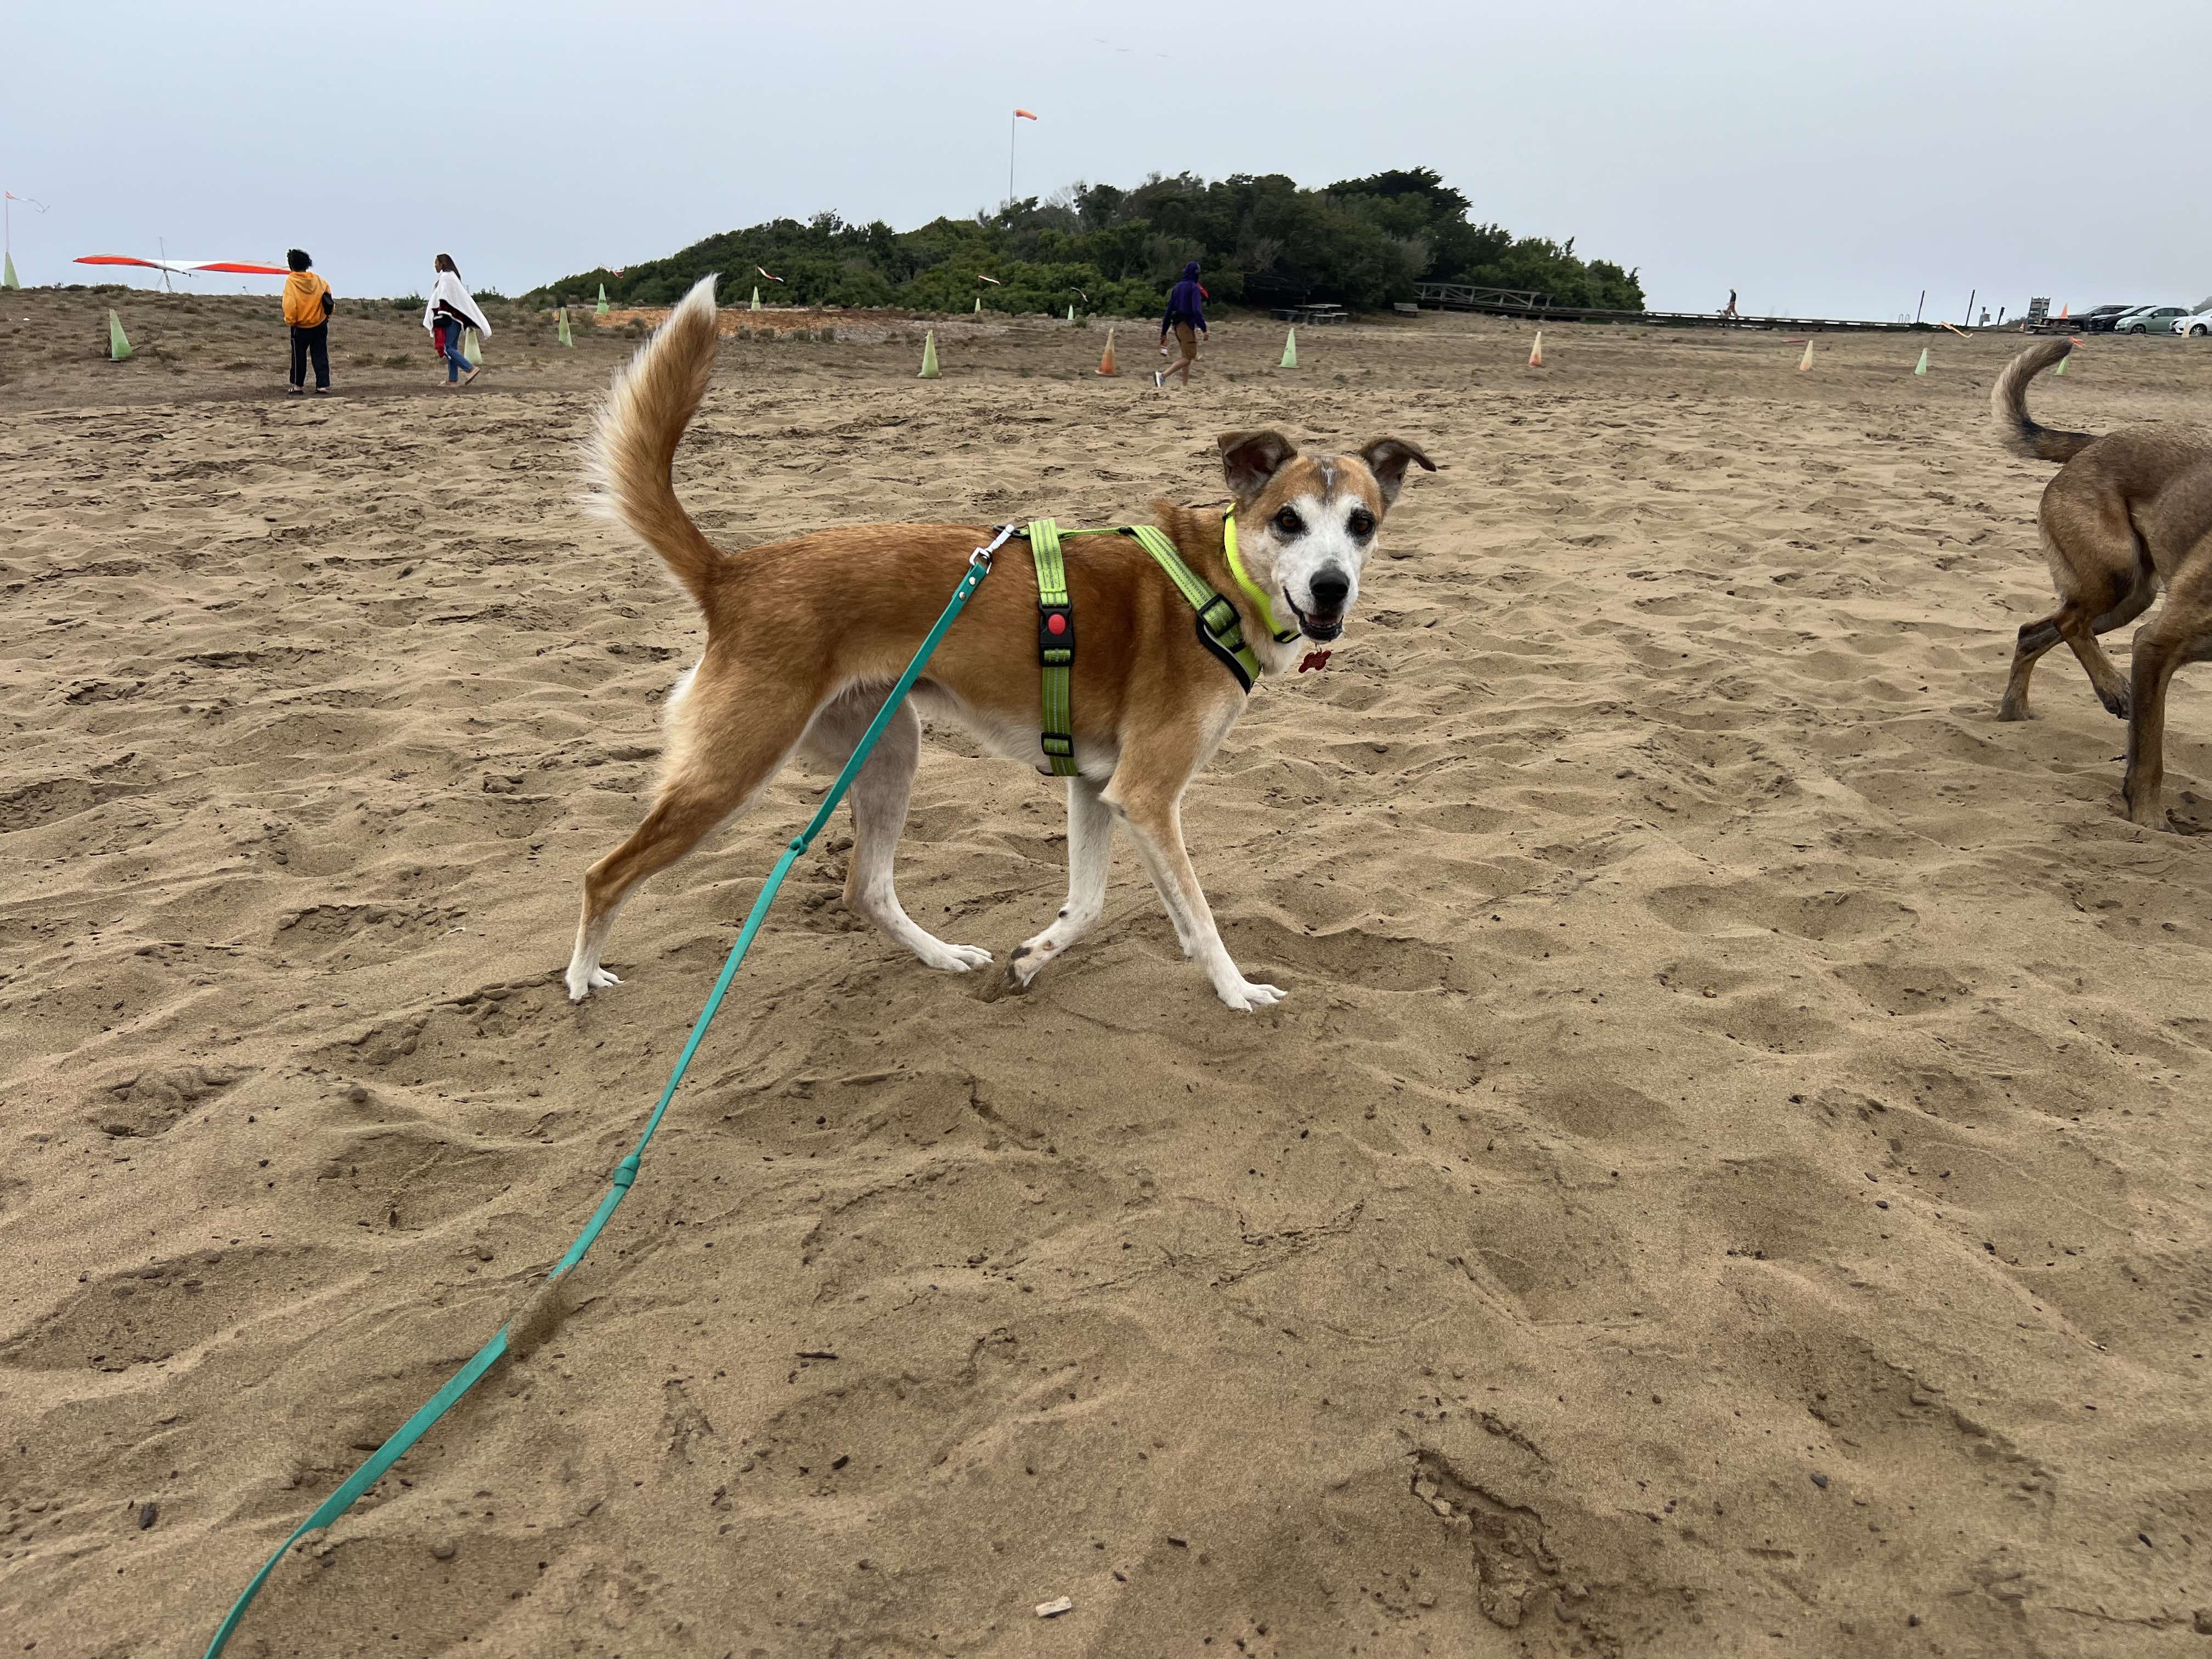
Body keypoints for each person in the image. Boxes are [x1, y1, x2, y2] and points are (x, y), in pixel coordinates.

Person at [423, 253, 492, 387]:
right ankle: (453, 380)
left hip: (451, 318)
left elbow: (446, 298)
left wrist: (439, 313)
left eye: (437, 263)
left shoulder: (447, 277)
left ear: (443, 263)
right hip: (453, 318)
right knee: (451, 347)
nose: (435, 265)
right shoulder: (449, 277)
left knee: (448, 348)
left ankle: (470, 369)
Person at [281, 249, 334, 396]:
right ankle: (323, 386)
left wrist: (291, 321)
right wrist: (327, 316)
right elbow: (329, 299)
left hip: (300, 326)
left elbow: (290, 305)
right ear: (307, 264)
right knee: (320, 354)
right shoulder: (319, 280)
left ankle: (297, 386)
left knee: (299, 356)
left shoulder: (291, 281)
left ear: (291, 265)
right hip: (320, 324)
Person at [1155, 261, 1207, 388]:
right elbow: (1196, 310)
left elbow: (1169, 311)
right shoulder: (1194, 288)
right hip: (1187, 326)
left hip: (1176, 325)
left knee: (1186, 357)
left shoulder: (1177, 287)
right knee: (1190, 356)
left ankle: (1185, 386)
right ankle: (1162, 376)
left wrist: (1164, 332)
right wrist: (1204, 328)